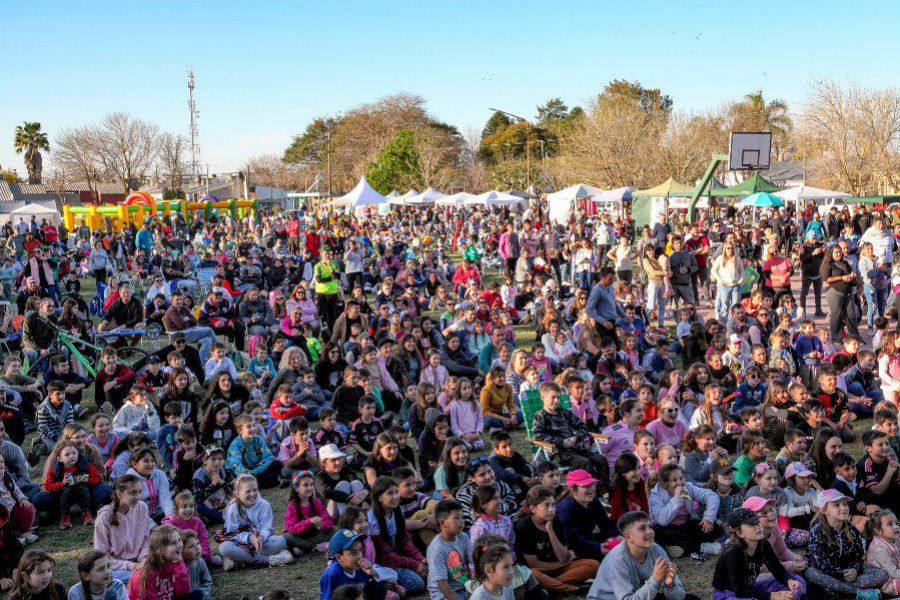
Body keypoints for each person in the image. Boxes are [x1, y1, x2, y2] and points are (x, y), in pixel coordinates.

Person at [711, 507, 806, 599]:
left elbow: (777, 569)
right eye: (752, 524)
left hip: (750, 587)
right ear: (740, 533)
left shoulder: (763, 543)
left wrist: (789, 581)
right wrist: (773, 596)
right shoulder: (733, 553)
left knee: (797, 582)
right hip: (729, 593)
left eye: (757, 522)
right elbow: (740, 591)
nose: (758, 527)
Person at [218, 473, 293, 570]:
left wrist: (260, 537)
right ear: (238, 494)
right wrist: (249, 538)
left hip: (260, 544)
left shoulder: (264, 505)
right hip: (240, 543)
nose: (252, 494)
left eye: (255, 490)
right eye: (248, 491)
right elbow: (231, 533)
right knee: (224, 548)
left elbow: (267, 528)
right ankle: (270, 560)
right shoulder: (232, 509)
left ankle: (239, 559)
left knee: (281, 541)